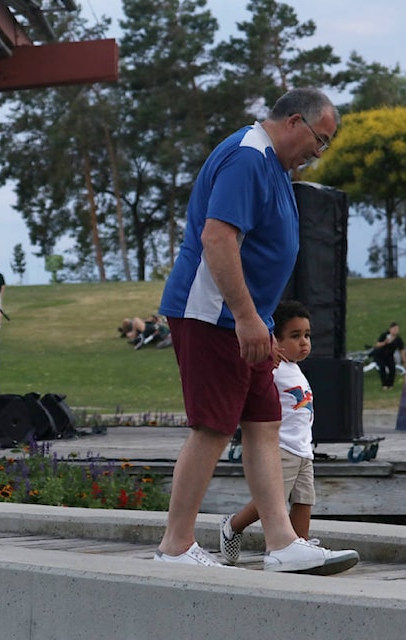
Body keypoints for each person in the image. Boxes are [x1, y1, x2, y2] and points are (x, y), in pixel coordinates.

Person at [154, 87, 358, 574]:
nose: (318, 151)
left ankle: (282, 542)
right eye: (320, 139)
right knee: (212, 427)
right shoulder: (248, 158)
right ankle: (175, 546)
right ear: (294, 121)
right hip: (213, 316)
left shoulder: (274, 166)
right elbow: (217, 237)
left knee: (265, 423)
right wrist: (247, 317)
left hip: (248, 322)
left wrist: (258, 321)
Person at [220, 301, 317, 564]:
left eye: (307, 335)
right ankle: (234, 525)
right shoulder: (272, 370)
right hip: (282, 449)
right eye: (295, 336)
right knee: (271, 501)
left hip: (304, 450)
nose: (304, 342)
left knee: (304, 500)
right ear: (276, 340)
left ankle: (302, 545)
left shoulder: (295, 369)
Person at [372, 322, 406, 390]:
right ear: (390, 329)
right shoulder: (384, 335)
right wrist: (384, 343)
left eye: (397, 329)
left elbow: (402, 350)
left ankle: (390, 385)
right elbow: (377, 344)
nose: (396, 330)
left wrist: (405, 362)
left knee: (392, 368)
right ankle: (384, 385)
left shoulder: (398, 339)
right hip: (380, 354)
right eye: (394, 329)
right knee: (382, 368)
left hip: (389, 355)